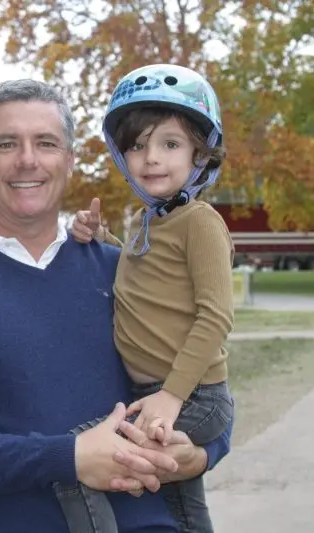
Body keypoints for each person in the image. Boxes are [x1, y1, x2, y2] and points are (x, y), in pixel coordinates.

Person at [0, 77, 232, 533]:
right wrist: (69, 457)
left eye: (46, 143)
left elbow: (205, 387)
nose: (27, 159)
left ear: (69, 160)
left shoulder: (120, 267)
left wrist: (203, 455)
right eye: (7, 143)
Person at [60, 64, 235, 533]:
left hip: (193, 394)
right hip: (157, 392)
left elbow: (216, 317)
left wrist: (173, 398)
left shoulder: (200, 222)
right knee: (181, 504)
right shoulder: (144, 222)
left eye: (170, 144)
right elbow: (144, 269)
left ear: (201, 153)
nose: (151, 158)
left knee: (78, 461)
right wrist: (102, 237)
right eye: (137, 145)